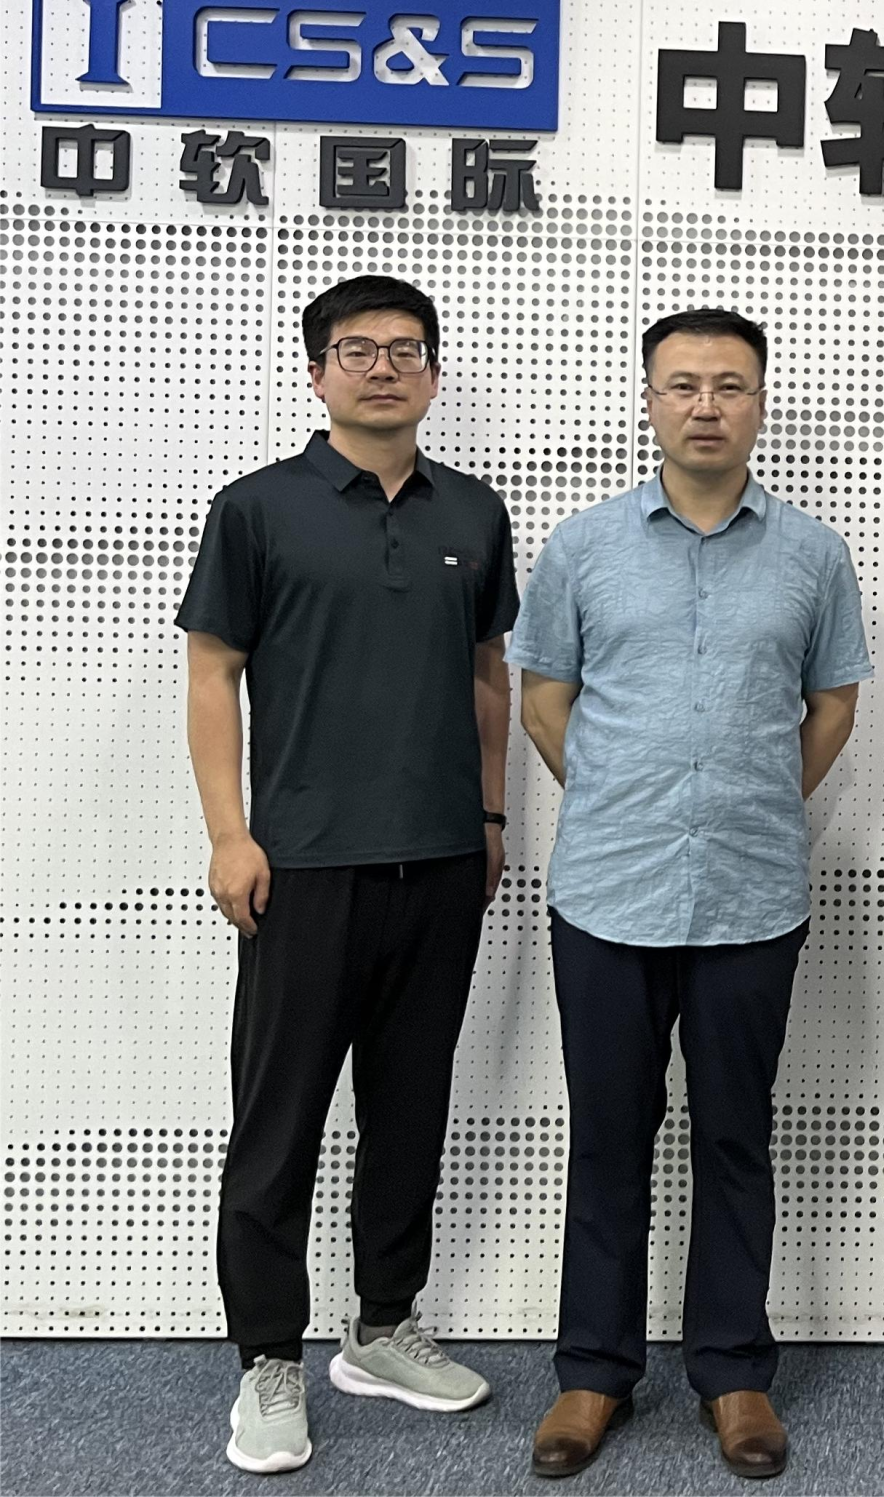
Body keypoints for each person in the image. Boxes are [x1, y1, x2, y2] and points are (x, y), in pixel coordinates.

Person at [512, 308, 871, 1482]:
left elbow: (831, 706)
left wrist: (750, 796)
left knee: (733, 1134)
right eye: (682, 385)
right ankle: (592, 1372)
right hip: (605, 890)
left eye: (728, 385)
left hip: (751, 893)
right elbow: (544, 700)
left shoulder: (813, 554)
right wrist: (623, 795)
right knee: (607, 1136)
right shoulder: (582, 546)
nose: (705, 405)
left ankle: (732, 1371)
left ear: (759, 404)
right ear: (650, 401)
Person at [178, 275, 516, 1474]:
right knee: (277, 1122)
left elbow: (486, 672)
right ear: (317, 371)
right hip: (302, 865)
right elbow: (212, 673)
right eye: (357, 349)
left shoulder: (471, 512)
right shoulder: (256, 509)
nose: (383, 367)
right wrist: (230, 833)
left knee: (409, 1107)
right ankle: (267, 1359)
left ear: (434, 374)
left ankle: (382, 1325)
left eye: (405, 349)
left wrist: (489, 813)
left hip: (440, 859)